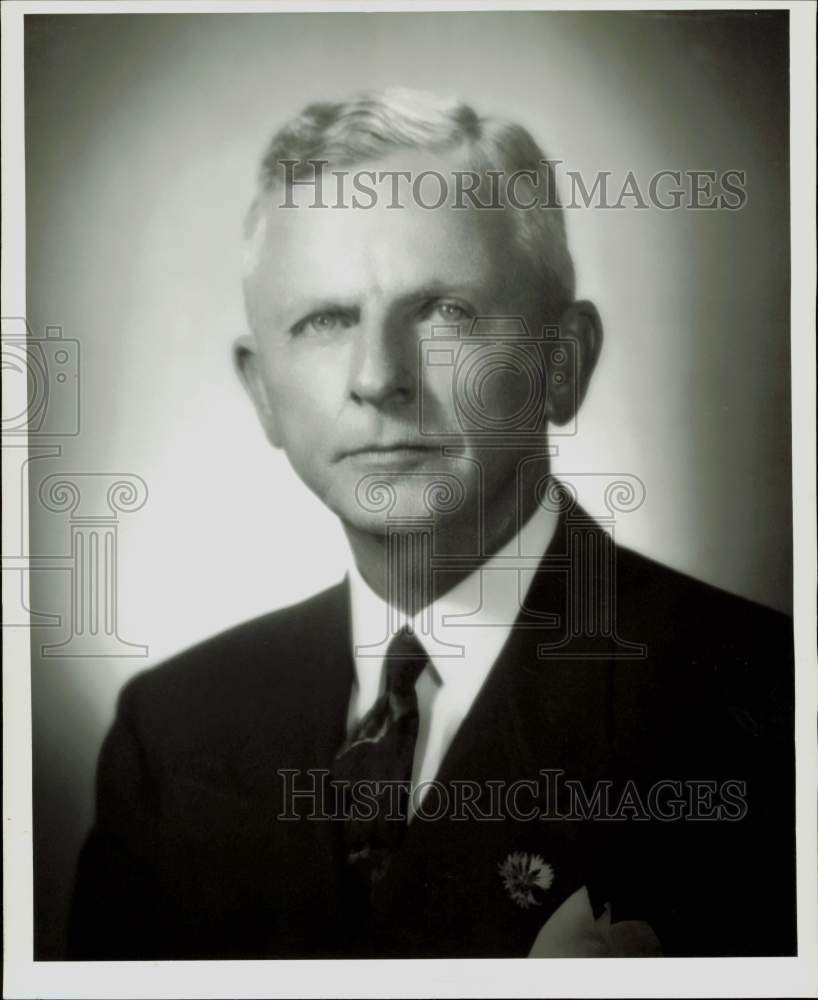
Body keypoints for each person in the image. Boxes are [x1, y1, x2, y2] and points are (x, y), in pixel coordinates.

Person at [67, 88, 795, 960]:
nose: (378, 377)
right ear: (263, 394)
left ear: (562, 366)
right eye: (325, 320)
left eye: (445, 312)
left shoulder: (761, 706)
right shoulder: (173, 734)